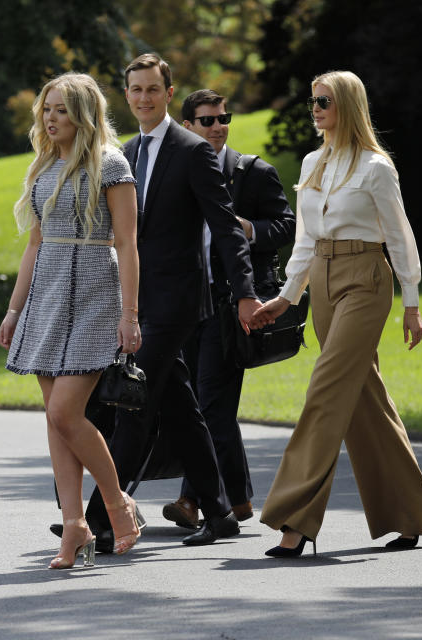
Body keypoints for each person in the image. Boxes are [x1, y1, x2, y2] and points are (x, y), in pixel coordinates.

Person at [251, 70, 422, 557]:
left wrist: (412, 302)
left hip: (366, 279)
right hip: (324, 280)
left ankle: (295, 521)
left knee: (326, 388)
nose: (315, 109)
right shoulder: (313, 162)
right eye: (312, 101)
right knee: (362, 400)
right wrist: (288, 296)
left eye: (325, 101)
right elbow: (304, 241)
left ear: (348, 106)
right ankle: (410, 514)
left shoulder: (377, 168)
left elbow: (399, 236)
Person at [80, 53, 263, 549]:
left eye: (153, 90)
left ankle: (99, 516)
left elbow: (226, 229)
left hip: (178, 302)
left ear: (167, 93)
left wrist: (245, 294)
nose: (143, 98)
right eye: (135, 90)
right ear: (127, 94)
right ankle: (220, 511)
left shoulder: (192, 150)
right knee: (180, 407)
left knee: (134, 402)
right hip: (135, 299)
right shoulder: (123, 152)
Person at [0, 72, 141, 569]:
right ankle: (75, 526)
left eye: (61, 109)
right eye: (46, 109)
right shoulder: (42, 167)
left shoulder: (112, 164)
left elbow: (127, 244)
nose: (50, 118)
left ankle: (118, 503)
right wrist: (15, 309)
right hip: (47, 296)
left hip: (95, 295)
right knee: (55, 421)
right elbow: (34, 245)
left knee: (65, 413)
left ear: (83, 114)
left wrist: (130, 315)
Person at [161, 89, 296, 529]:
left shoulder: (253, 173)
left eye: (224, 118)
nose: (218, 126)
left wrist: (247, 229)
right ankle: (236, 498)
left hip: (232, 304)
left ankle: (194, 501)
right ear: (187, 125)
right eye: (207, 120)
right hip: (186, 304)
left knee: (209, 405)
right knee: (205, 403)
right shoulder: (177, 170)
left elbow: (287, 226)